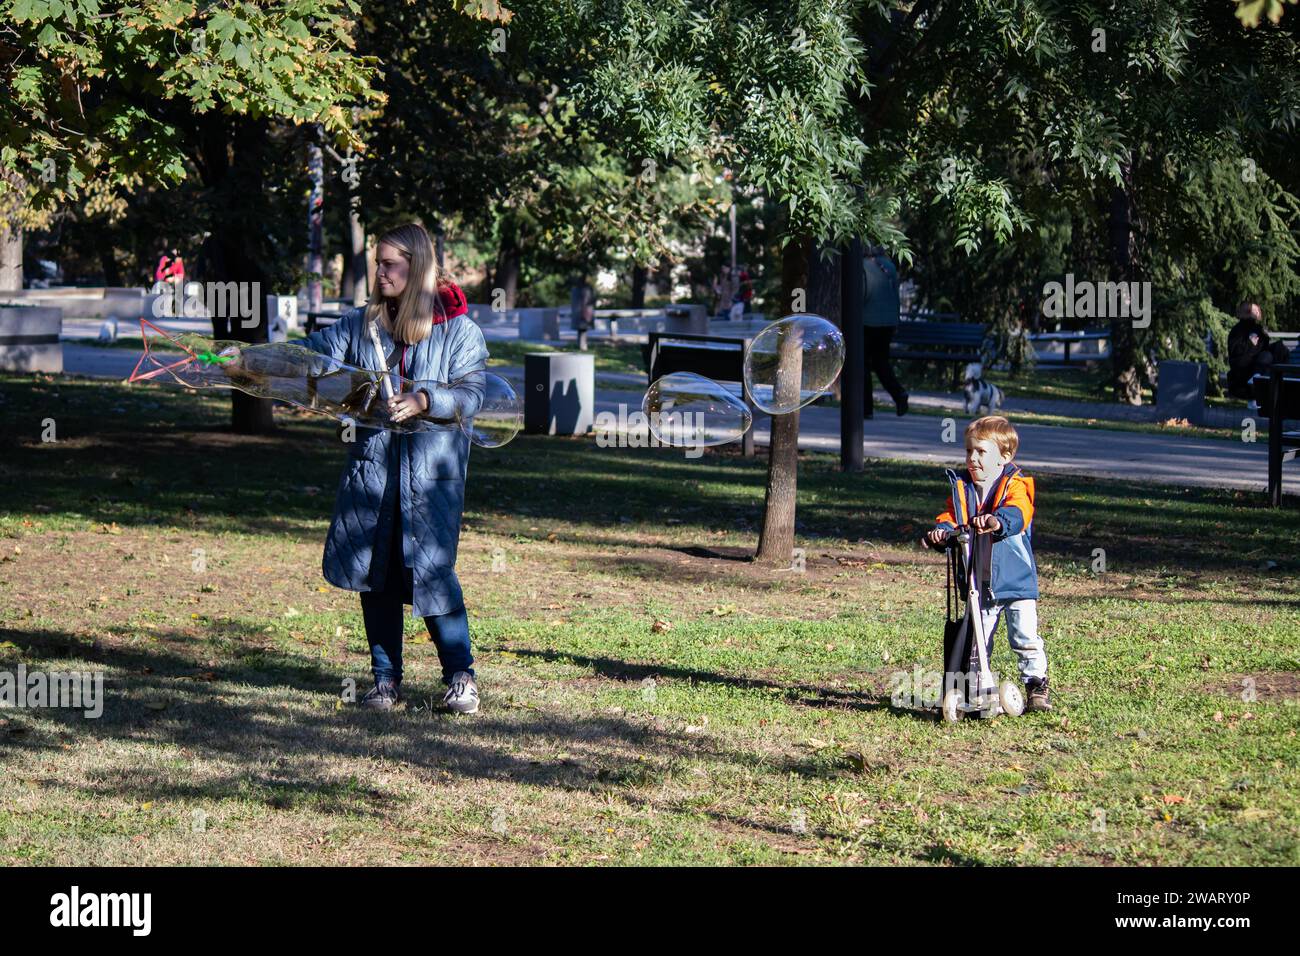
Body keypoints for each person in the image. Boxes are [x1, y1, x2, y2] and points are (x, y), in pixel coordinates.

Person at [298, 222, 486, 713]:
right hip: (373, 474)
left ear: (416, 266)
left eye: (389, 264)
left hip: (431, 481)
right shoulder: (363, 325)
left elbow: (472, 395)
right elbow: (310, 357)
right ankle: (385, 681)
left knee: (431, 571)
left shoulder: (459, 330)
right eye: (377, 263)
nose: (378, 273)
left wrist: (425, 398)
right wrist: (252, 361)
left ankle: (460, 677)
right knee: (373, 573)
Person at [925, 416, 1050, 711]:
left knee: (1024, 636)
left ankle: (1036, 686)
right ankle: (979, 690)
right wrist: (941, 532)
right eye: (969, 451)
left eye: (982, 452)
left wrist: (997, 520)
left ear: (1004, 456)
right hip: (978, 582)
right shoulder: (962, 487)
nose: (973, 458)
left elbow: (1019, 511)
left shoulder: (1014, 485)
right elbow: (950, 516)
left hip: (1015, 579)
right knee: (978, 641)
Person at [862, 246, 908, 417]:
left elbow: (862, 294)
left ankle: (866, 408)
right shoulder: (889, 266)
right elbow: (896, 296)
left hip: (867, 321)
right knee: (881, 363)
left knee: (863, 365)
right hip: (888, 323)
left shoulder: (863, 266)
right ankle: (899, 394)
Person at [1227, 301, 1291, 399]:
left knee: (1278, 348)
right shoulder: (1237, 330)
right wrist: (1250, 343)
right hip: (1244, 368)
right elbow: (1236, 353)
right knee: (1267, 356)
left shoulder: (1258, 329)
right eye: (1254, 311)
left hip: (1259, 364)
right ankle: (1256, 381)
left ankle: (1282, 381)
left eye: (1257, 311)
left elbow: (1262, 347)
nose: (1257, 313)